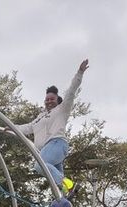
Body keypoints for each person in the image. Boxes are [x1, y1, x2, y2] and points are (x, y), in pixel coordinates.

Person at [13, 59, 89, 197]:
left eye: (52, 99)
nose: (49, 101)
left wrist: (80, 73)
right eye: (47, 99)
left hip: (57, 143)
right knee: (58, 187)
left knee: (39, 166)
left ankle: (70, 184)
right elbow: (28, 127)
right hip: (48, 149)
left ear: (57, 100)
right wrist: (12, 128)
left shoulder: (62, 110)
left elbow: (71, 92)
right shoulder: (41, 117)